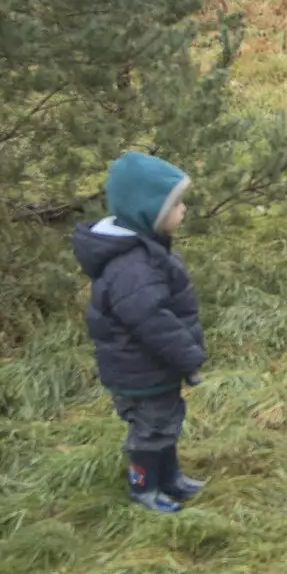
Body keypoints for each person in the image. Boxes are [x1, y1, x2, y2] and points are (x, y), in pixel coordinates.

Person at [72, 152, 208, 513]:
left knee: (166, 422)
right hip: (139, 371)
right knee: (150, 430)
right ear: (149, 212)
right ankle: (144, 487)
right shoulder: (132, 266)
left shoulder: (144, 252)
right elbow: (152, 320)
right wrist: (189, 356)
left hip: (152, 369)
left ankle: (170, 478)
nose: (184, 210)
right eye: (176, 204)